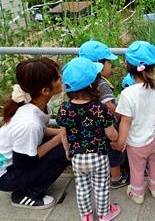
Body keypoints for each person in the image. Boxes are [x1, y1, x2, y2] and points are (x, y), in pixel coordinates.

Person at [113, 41, 155, 204]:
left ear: (129, 67)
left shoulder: (127, 93)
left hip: (136, 143)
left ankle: (138, 193)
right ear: (153, 66)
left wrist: (120, 142)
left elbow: (125, 122)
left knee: (137, 168)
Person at [56, 57, 120, 221]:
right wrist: (116, 139)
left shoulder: (64, 108)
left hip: (77, 157)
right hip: (98, 155)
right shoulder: (100, 108)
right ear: (93, 85)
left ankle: (86, 216)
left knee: (82, 187)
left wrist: (67, 150)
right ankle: (104, 214)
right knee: (101, 187)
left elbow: (63, 133)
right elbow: (111, 133)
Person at [0, 58, 69, 209]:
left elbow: (42, 130)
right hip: (6, 176)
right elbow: (24, 162)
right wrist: (59, 139)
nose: (61, 79)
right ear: (45, 90)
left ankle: (31, 183)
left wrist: (62, 133)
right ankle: (26, 194)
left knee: (66, 140)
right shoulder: (29, 123)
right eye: (57, 78)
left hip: (15, 162)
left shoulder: (35, 101)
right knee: (65, 149)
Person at [79, 40, 129, 189]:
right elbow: (109, 105)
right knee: (112, 150)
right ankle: (116, 178)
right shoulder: (101, 84)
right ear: (99, 65)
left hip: (88, 126)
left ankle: (97, 175)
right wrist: (120, 114)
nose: (110, 66)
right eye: (109, 62)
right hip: (106, 127)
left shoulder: (81, 83)